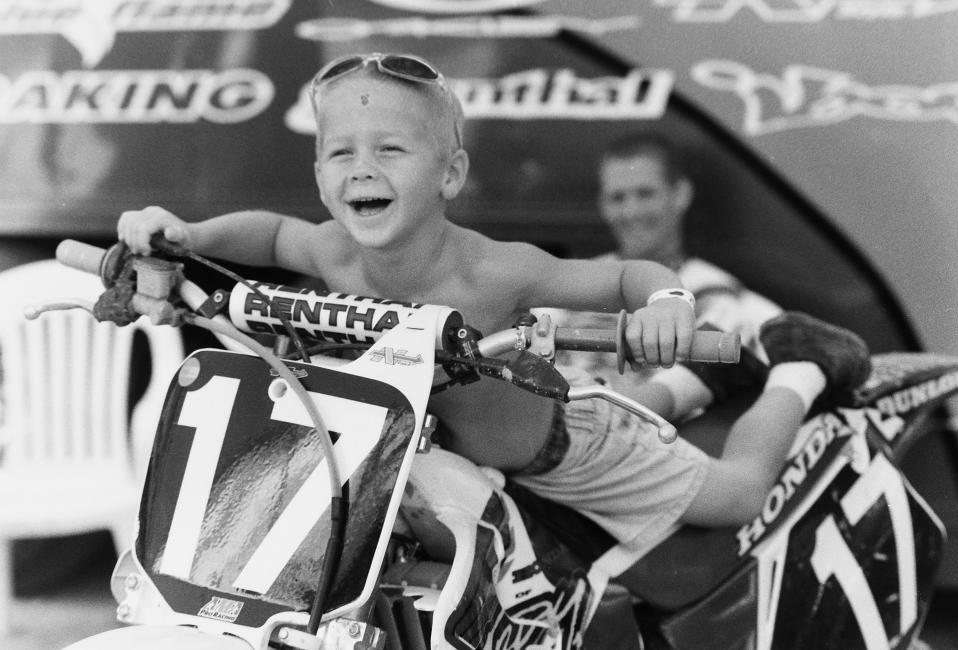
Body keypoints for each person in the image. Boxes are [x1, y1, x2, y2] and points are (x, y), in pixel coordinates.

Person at [116, 52, 870, 586]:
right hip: (441, 457)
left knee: (732, 496)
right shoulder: (330, 248)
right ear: (318, 175)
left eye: (389, 148)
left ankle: (794, 365)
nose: (359, 167)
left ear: (450, 173)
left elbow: (623, 277)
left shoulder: (493, 269)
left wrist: (668, 305)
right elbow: (269, 234)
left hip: (557, 452)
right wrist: (189, 237)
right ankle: (693, 385)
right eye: (338, 151)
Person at [544, 132, 783, 408]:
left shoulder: (720, 296)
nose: (631, 211)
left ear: (681, 194)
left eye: (645, 194)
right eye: (618, 198)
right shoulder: (572, 284)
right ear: (602, 205)